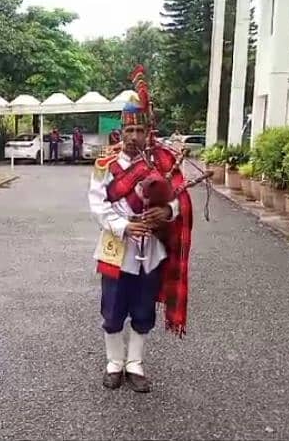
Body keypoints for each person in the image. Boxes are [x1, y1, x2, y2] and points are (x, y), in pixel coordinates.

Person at [88, 65, 193, 393]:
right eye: (129, 131)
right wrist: (124, 226)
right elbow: (97, 204)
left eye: (140, 131)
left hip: (151, 254)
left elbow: (180, 199)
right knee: (113, 310)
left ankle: (135, 364)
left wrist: (167, 211)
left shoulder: (164, 161)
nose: (135, 137)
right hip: (117, 249)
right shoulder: (106, 164)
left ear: (148, 131)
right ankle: (113, 363)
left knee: (144, 310)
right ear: (122, 131)